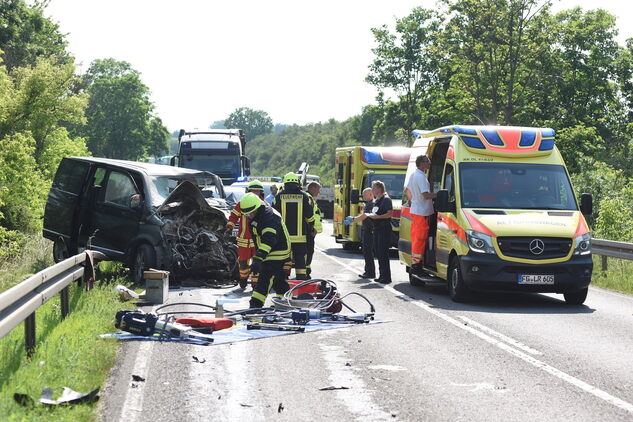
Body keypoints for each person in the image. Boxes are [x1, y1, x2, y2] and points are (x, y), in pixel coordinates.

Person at [238, 192, 291, 308]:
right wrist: (259, 257)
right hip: (270, 251)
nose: (248, 216)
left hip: (277, 251)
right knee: (278, 278)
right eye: (246, 214)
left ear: (257, 208)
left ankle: (255, 305)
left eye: (250, 213)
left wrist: (258, 257)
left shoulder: (269, 217)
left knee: (265, 278)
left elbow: (269, 240)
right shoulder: (259, 215)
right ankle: (285, 301)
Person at [272, 172, 315, 280]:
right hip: (300, 237)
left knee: (282, 258)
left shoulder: (278, 196)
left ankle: (282, 279)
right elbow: (310, 216)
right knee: (300, 258)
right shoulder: (304, 196)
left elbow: (273, 215)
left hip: (283, 237)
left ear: (285, 183)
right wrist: (311, 228)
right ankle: (300, 279)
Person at [226, 180, 267, 289]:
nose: (255, 193)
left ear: (261, 192)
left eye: (257, 191)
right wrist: (229, 227)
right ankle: (243, 279)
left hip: (257, 239)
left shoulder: (263, 204)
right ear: (248, 191)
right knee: (243, 262)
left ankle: (255, 283)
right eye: (253, 190)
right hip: (243, 239)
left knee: (257, 262)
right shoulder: (242, 202)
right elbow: (234, 216)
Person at [404, 155, 436, 271]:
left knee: (417, 238)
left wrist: (412, 200)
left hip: (417, 210)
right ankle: (416, 265)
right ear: (422, 163)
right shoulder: (421, 176)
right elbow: (426, 195)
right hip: (422, 212)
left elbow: (407, 190)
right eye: (428, 161)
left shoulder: (414, 174)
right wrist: (439, 195)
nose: (430, 163)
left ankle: (416, 263)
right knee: (420, 238)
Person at [365, 180, 393, 284]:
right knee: (378, 252)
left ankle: (386, 277)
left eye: (373, 188)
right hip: (377, 229)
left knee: (383, 253)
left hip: (384, 229)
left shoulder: (386, 200)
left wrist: (378, 217)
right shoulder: (378, 200)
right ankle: (382, 275)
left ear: (379, 188)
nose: (372, 190)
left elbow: (390, 213)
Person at [345, 187, 376, 279]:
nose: (362, 197)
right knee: (367, 252)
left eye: (364, 195)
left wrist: (353, 219)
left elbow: (364, 216)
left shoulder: (370, 204)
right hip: (368, 230)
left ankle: (370, 272)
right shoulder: (370, 203)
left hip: (369, 231)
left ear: (370, 194)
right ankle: (369, 271)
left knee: (367, 252)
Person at [305, 181, 323, 278]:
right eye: (318, 190)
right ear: (313, 188)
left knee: (309, 251)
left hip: (310, 230)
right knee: (309, 251)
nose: (319, 192)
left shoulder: (309, 198)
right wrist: (312, 229)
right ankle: (306, 271)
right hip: (310, 231)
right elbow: (309, 216)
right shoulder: (308, 198)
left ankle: (307, 270)